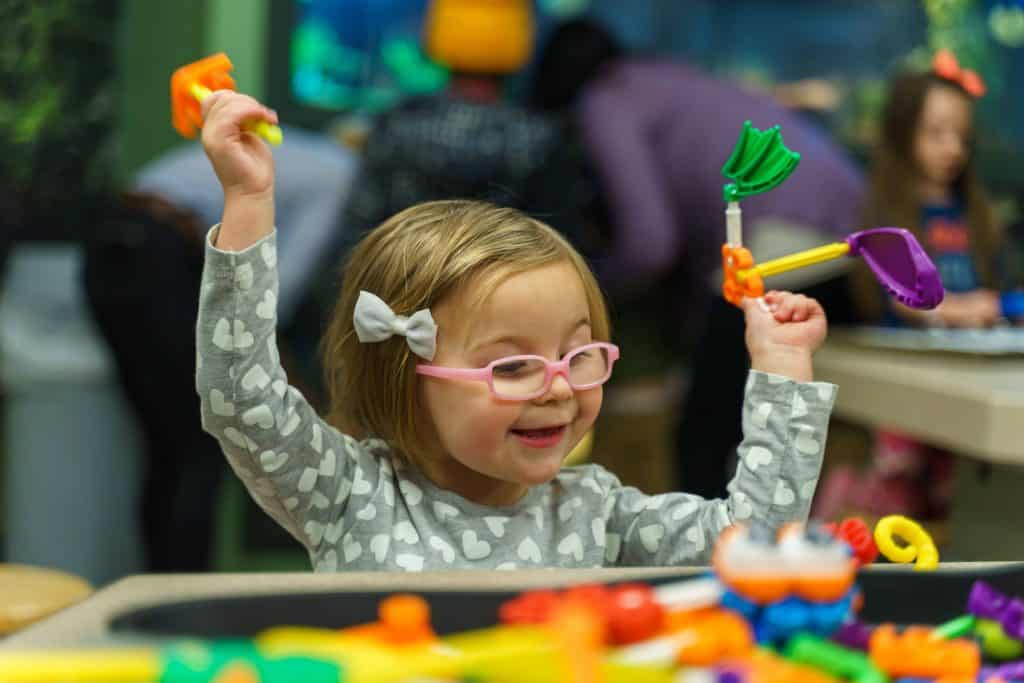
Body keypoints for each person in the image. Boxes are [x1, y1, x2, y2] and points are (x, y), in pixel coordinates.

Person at [195, 90, 837, 571]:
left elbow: (760, 543)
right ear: (405, 374)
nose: (559, 389)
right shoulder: (345, 489)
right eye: (512, 367)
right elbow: (241, 400)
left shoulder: (597, 512)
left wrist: (781, 366)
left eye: (578, 353)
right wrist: (248, 202)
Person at [530, 18, 866, 499]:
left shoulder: (606, 101)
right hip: (849, 236)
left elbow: (651, 243)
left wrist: (586, 290)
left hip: (782, 244)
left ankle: (713, 560)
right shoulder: (675, 79)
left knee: (704, 431)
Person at [814, 52, 1005, 524]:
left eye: (961, 135)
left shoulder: (977, 218)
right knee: (901, 482)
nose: (952, 148)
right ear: (904, 134)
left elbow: (995, 285)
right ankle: (846, 509)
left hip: (967, 369)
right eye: (935, 132)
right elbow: (903, 299)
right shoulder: (891, 217)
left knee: (949, 489)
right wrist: (958, 311)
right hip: (907, 370)